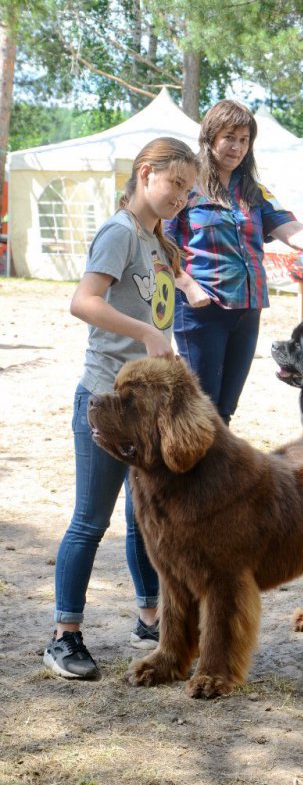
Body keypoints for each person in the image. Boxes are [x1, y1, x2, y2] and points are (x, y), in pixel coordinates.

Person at [43, 137, 207, 680]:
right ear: (145, 174)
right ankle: (64, 636)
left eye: (187, 190)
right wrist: (145, 333)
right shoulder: (119, 232)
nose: (180, 197)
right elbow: (83, 301)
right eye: (175, 183)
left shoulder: (156, 240)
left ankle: (150, 618)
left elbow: (158, 303)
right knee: (90, 521)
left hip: (146, 410)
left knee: (145, 519)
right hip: (106, 403)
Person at [165, 99, 303, 426]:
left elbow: (290, 228)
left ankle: (216, 461)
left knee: (225, 409)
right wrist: (187, 284)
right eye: (229, 137)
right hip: (200, 311)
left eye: (244, 139)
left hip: (247, 311)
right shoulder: (186, 185)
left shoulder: (254, 192)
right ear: (209, 137)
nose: (237, 147)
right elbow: (158, 240)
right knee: (199, 409)